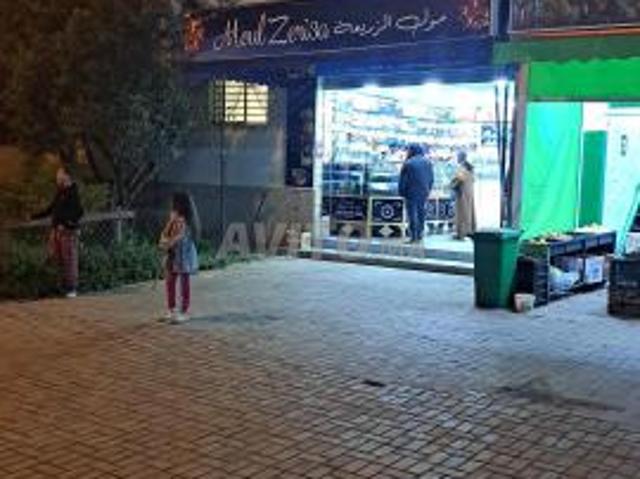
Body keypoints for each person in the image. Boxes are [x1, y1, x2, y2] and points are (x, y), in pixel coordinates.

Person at [32, 167, 84, 298]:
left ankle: (71, 288)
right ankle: (61, 287)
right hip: (56, 231)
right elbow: (51, 208)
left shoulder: (73, 191)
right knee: (57, 259)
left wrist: (65, 223)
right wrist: (34, 216)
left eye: (59, 174)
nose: (57, 177)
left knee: (69, 259)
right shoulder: (60, 191)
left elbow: (79, 212)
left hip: (67, 231)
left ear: (66, 176)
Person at [159, 192, 200, 324]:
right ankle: (171, 310)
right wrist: (170, 223)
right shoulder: (173, 220)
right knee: (170, 282)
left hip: (184, 256)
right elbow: (164, 234)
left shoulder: (187, 221)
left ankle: (184, 311)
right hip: (173, 256)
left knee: (184, 283)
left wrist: (167, 243)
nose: (171, 207)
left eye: (174, 205)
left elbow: (179, 237)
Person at [398, 144, 434, 243]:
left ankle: (413, 236)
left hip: (411, 191)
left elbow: (403, 180)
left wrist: (401, 192)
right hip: (424, 191)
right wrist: (428, 189)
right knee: (421, 212)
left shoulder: (408, 163)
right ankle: (420, 233)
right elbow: (431, 179)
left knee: (412, 213)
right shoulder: (428, 162)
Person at [450, 151, 477, 240]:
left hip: (462, 193)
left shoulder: (462, 167)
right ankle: (470, 230)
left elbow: (459, 178)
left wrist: (452, 185)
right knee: (469, 212)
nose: (457, 158)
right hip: (469, 192)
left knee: (462, 213)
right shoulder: (470, 167)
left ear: (460, 157)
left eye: (457, 156)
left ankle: (461, 233)